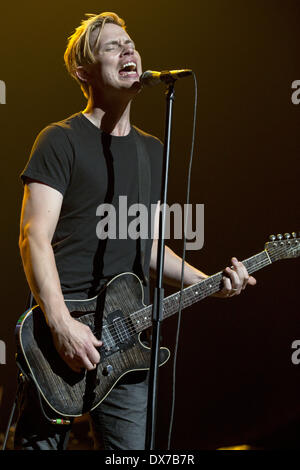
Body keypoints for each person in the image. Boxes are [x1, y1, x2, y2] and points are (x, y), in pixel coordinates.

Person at [14, 12, 256, 450]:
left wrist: (211, 284)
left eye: (130, 43)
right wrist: (62, 324)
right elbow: (34, 238)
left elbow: (150, 250)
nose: (129, 50)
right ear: (83, 72)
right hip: (57, 339)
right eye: (112, 46)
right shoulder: (59, 140)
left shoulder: (152, 151)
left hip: (126, 344)